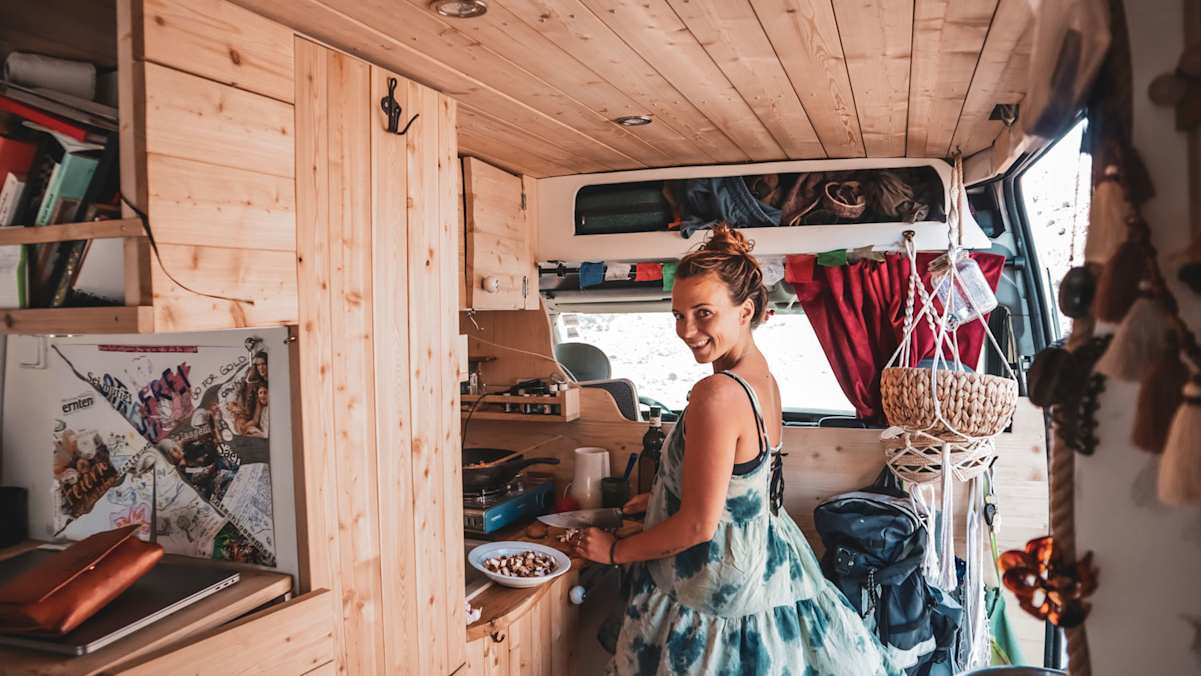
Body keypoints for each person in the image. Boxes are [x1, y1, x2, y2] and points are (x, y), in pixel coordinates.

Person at [574, 224, 901, 675]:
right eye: (678, 314)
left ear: (745, 311)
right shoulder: (763, 378)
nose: (686, 330)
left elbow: (697, 526)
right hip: (765, 563)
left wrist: (613, 551)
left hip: (714, 585)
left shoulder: (717, 394)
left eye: (703, 313)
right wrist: (663, 496)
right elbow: (742, 484)